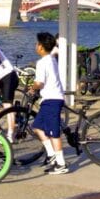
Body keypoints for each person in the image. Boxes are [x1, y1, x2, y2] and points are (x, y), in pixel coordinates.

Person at [29, 31, 69, 175]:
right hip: (50, 99)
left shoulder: (42, 62)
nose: (36, 46)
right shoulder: (51, 59)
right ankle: (51, 154)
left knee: (54, 133)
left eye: (37, 43)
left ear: (40, 46)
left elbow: (39, 82)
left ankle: (61, 164)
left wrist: (32, 88)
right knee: (36, 126)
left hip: (52, 99)